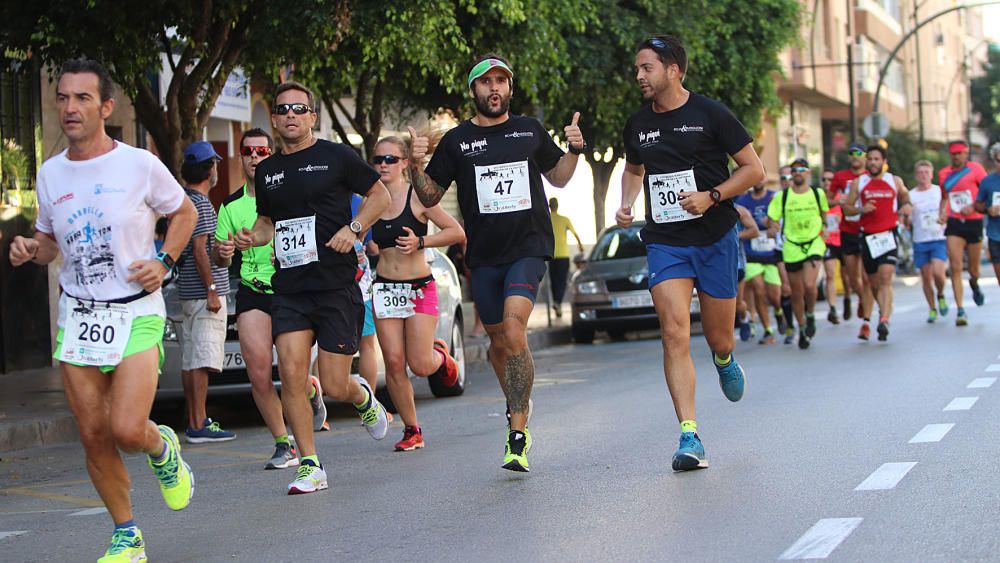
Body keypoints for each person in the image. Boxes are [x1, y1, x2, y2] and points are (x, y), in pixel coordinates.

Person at [9, 59, 197, 562]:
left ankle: (162, 448)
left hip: (136, 312)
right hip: (80, 317)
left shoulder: (137, 163)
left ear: (105, 107)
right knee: (93, 434)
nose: (70, 107)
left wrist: (165, 260)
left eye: (82, 98)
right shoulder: (50, 174)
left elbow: (185, 212)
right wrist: (32, 248)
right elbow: (51, 245)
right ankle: (127, 534)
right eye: (63, 98)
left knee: (126, 429)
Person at [408, 53, 585, 472]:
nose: (494, 89)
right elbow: (431, 196)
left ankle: (518, 433)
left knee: (513, 327)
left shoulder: (528, 130)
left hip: (528, 247)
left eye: (501, 81)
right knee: (497, 345)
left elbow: (559, 176)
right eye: (485, 82)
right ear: (474, 91)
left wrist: (576, 149)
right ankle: (516, 401)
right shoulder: (457, 140)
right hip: (484, 255)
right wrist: (415, 165)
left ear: (510, 88)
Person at [235, 81, 392, 494]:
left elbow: (380, 194)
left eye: (298, 109)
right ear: (273, 118)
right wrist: (254, 236)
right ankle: (310, 463)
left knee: (335, 383)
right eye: (283, 109)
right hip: (289, 287)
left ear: (312, 116)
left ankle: (361, 398)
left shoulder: (335, 156)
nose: (290, 115)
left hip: (335, 285)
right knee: (290, 375)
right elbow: (269, 224)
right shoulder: (267, 171)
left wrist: (355, 229)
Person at [615, 35, 764, 470]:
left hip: (715, 237)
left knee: (719, 335)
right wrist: (626, 203)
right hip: (666, 241)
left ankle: (723, 357)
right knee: (674, 331)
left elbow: (754, 169)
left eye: (647, 68)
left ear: (673, 70)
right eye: (638, 69)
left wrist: (712, 196)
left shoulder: (711, 114)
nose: (639, 76)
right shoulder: (637, 124)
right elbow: (633, 167)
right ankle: (689, 435)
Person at [368, 135, 465, 451]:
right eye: (378, 159)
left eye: (390, 159)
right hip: (384, 288)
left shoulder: (418, 198)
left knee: (421, 364)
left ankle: (441, 356)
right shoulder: (370, 200)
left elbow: (456, 232)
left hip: (418, 287)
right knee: (394, 363)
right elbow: (360, 233)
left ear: (404, 163)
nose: (383, 165)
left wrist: (421, 243)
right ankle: (412, 430)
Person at [213, 128, 301, 468]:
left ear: (272, 155)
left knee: (293, 373)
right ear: (241, 157)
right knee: (260, 374)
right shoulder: (230, 206)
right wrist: (222, 253)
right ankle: (283, 443)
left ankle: (310, 389)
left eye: (262, 151)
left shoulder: (288, 194)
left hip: (289, 289)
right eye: (248, 151)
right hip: (253, 291)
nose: (254, 156)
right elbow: (222, 258)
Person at [176, 141, 235, 443]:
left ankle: (195, 419)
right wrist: (212, 290)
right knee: (201, 359)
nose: (217, 170)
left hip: (187, 292)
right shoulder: (201, 204)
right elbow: (201, 249)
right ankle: (199, 424)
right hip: (203, 294)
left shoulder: (183, 200)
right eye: (215, 164)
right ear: (208, 168)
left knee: (190, 359)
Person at [842, 145, 911, 341]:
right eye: (870, 159)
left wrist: (906, 206)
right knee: (872, 282)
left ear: (883, 162)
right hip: (868, 237)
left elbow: (905, 196)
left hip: (888, 234)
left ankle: (884, 319)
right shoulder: (859, 183)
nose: (872, 162)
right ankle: (883, 309)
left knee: (886, 277)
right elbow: (847, 208)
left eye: (876, 159)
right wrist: (861, 209)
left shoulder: (894, 181)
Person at [766, 158, 828, 349]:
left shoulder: (818, 194)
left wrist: (824, 227)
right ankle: (802, 328)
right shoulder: (782, 197)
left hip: (813, 244)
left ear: (808, 172)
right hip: (791, 246)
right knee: (796, 292)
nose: (798, 172)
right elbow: (771, 219)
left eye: (802, 169)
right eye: (794, 170)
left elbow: (824, 214)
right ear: (791, 174)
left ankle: (810, 314)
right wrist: (772, 227)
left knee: (810, 285)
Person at [940, 139, 988, 325]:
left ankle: (974, 283)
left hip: (974, 221)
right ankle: (960, 309)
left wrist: (975, 206)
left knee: (974, 268)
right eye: (954, 153)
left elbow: (986, 194)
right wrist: (941, 213)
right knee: (955, 266)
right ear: (950, 155)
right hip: (954, 222)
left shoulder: (976, 170)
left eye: (960, 153)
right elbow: (944, 197)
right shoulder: (944, 173)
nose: (957, 156)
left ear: (966, 154)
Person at [735, 182, 781, 344]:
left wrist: (773, 227)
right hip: (751, 253)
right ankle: (768, 329)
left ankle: (779, 310)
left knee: (774, 295)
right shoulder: (742, 200)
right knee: (758, 289)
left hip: (771, 252)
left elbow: (779, 221)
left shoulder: (773, 197)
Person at [831, 142, 871, 322]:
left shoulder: (870, 176)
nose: (855, 156)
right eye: (852, 153)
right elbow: (828, 200)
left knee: (866, 275)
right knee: (854, 279)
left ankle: (868, 307)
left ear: (865, 157)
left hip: (867, 228)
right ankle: (862, 298)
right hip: (847, 229)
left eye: (859, 153)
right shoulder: (840, 177)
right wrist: (842, 202)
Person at [909, 160, 949, 323]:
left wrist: (944, 217)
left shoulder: (939, 192)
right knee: (926, 277)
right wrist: (906, 219)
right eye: (920, 173)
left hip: (938, 238)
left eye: (926, 172)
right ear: (916, 175)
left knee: (938, 273)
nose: (923, 176)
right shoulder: (911, 195)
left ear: (932, 175)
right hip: (920, 239)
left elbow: (947, 209)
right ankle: (932, 308)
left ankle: (940, 294)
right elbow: (907, 216)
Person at [548, 197, 584, 318]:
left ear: (549, 206)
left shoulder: (547, 219)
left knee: (553, 281)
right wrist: (580, 246)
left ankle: (556, 304)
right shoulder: (564, 220)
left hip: (551, 255)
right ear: (557, 206)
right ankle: (558, 302)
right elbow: (575, 234)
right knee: (562, 281)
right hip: (563, 255)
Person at [974, 142, 1000, 289]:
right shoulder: (988, 182)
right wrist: (988, 209)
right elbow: (977, 204)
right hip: (995, 235)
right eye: (999, 160)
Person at [820, 168, 844, 324]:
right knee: (830, 273)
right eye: (824, 180)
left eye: (830, 179)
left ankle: (848, 297)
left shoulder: (842, 198)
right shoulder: (817, 197)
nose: (827, 183)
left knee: (850, 278)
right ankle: (833, 307)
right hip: (827, 241)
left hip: (844, 240)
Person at [734, 205, 760, 341]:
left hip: (737, 263)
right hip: (714, 263)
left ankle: (744, 318)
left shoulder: (739, 210)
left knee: (737, 304)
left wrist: (734, 236)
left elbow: (755, 231)